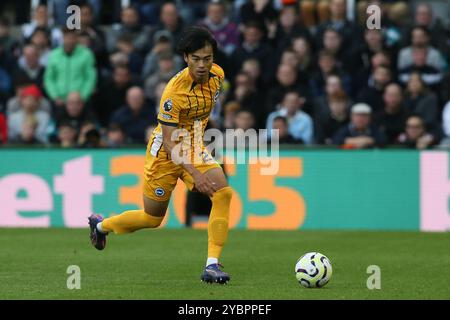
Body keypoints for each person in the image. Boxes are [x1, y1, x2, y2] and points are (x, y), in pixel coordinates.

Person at [88, 27, 232, 284]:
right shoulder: (173, 92)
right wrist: (195, 174)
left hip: (193, 146)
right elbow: (168, 140)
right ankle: (101, 226)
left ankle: (212, 265)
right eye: (196, 58)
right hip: (165, 154)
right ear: (186, 57)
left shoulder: (218, 76)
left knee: (223, 192)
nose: (202, 65)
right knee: (152, 218)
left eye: (207, 58)